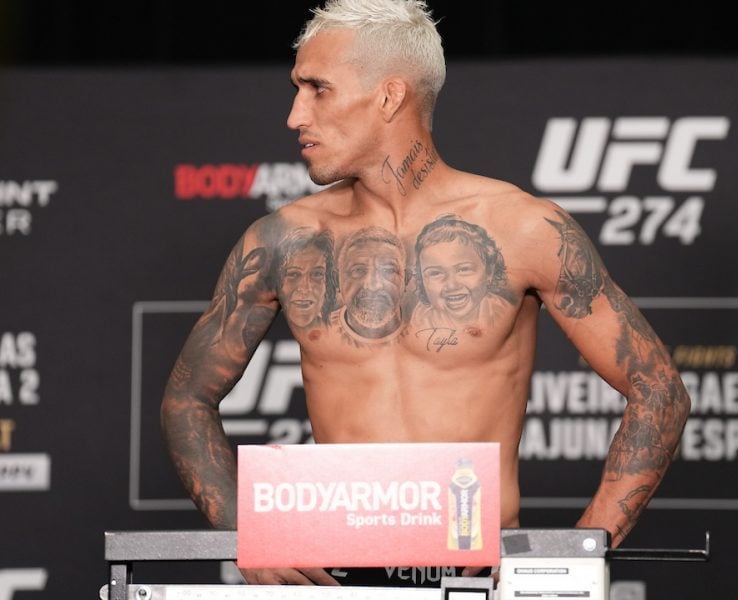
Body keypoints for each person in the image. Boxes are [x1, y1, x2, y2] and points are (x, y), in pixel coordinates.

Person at [160, 0, 690, 587]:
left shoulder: (521, 230)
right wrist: (246, 537)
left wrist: (584, 549)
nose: (294, 116)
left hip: (477, 572)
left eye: (318, 90)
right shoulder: (283, 241)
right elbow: (186, 401)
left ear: (389, 97)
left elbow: (658, 390)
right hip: (328, 572)